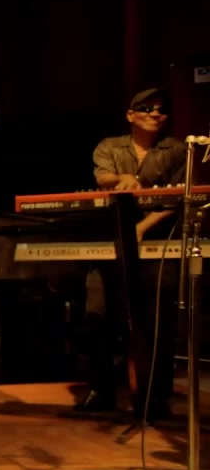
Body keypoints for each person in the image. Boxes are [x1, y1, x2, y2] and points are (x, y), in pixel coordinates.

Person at [77, 88, 188, 422]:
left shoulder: (177, 150)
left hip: (158, 243)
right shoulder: (110, 146)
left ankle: (156, 396)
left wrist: (140, 228)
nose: (155, 113)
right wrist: (121, 178)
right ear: (130, 114)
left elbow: (177, 197)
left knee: (157, 319)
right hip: (111, 241)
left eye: (161, 110)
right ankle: (101, 390)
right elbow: (102, 178)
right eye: (147, 108)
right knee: (97, 312)